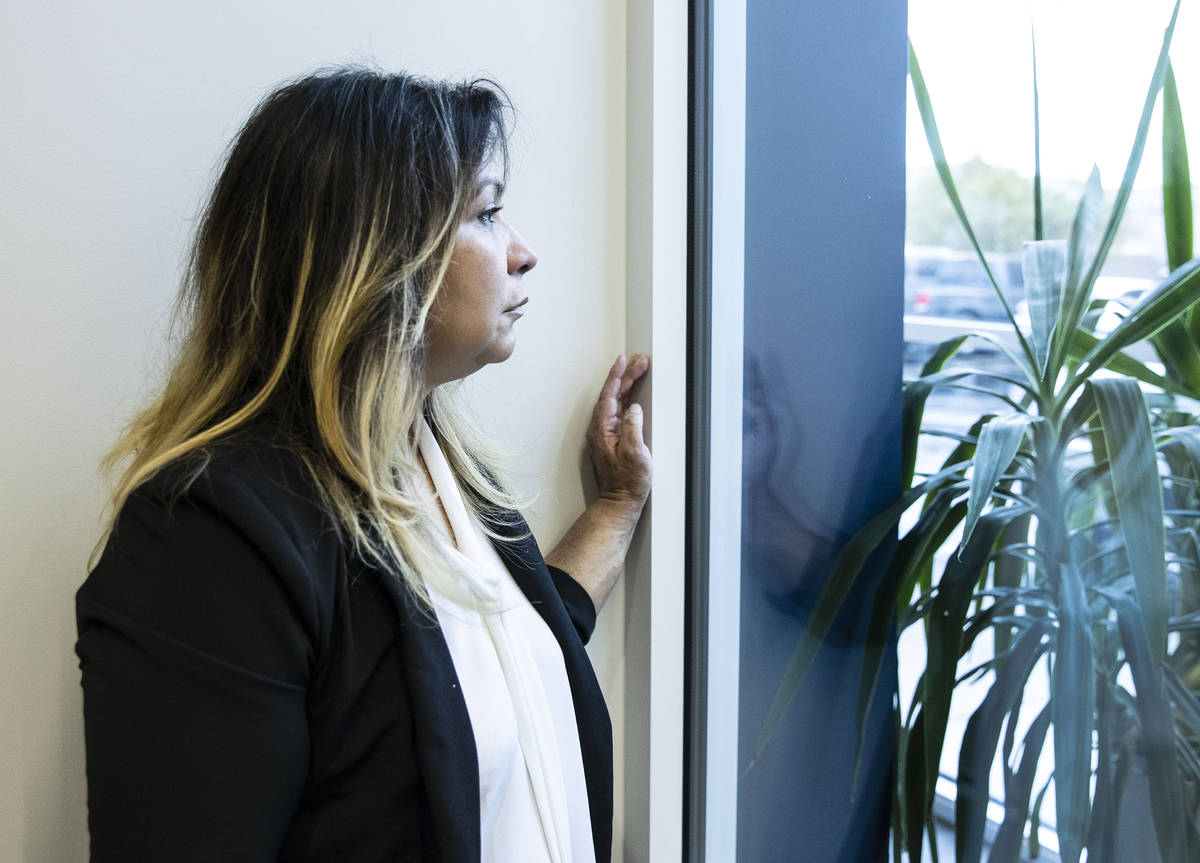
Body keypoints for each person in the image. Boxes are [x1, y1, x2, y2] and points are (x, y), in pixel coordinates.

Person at [75, 66, 651, 863]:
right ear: (379, 256)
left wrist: (616, 506)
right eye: (486, 212)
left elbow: (510, 651)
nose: (522, 253)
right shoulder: (211, 537)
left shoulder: (443, 473)